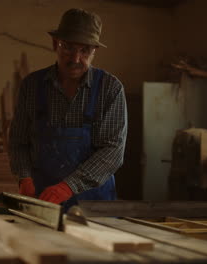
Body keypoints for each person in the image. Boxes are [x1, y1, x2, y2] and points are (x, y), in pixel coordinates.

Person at [9, 8, 127, 209]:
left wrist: (67, 187)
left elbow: (112, 151)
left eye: (84, 51)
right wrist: (25, 177)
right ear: (56, 44)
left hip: (94, 205)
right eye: (68, 48)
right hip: (43, 201)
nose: (75, 58)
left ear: (94, 51)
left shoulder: (110, 88)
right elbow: (18, 141)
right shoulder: (32, 86)